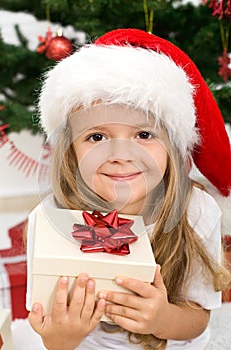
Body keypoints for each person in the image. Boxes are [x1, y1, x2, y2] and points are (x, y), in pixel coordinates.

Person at [26, 28, 231, 350]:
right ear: (71, 151)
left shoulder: (196, 211)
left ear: (173, 148)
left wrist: (162, 319)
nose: (121, 156)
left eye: (144, 135)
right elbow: (50, 329)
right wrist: (62, 338)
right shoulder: (50, 218)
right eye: (97, 137)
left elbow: (198, 317)